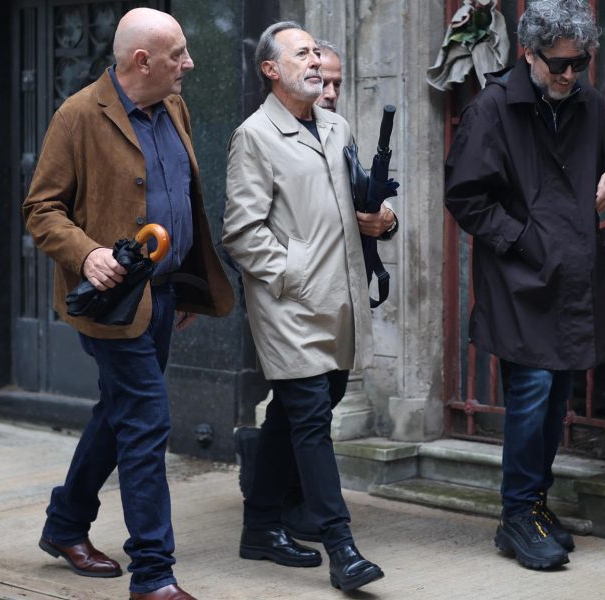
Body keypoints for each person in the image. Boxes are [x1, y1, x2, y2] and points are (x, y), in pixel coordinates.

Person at [21, 8, 233, 600]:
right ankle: (154, 576)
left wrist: (184, 283)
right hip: (109, 304)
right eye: (179, 54)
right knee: (147, 421)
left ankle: (65, 525)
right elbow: (40, 210)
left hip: (162, 297)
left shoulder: (174, 107)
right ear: (144, 60)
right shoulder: (78, 115)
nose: (188, 63)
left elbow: (180, 199)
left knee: (118, 414)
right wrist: (87, 254)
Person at [444, 0, 605, 571]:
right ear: (529, 54)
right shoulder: (492, 110)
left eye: (580, 62)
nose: (570, 74)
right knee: (529, 400)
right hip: (520, 281)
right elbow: (465, 198)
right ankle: (515, 516)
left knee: (558, 399)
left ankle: (534, 502)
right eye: (558, 64)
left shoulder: (589, 103)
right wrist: (526, 239)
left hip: (574, 279)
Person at [222, 21, 390, 593]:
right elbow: (241, 233)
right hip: (288, 304)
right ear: (271, 69)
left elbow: (352, 204)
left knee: (303, 408)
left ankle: (260, 524)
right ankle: (341, 546)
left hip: (339, 297)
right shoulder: (254, 135)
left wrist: (383, 219)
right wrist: (292, 273)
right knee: (313, 415)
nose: (316, 61)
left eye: (317, 52)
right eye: (303, 54)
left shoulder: (335, 124)